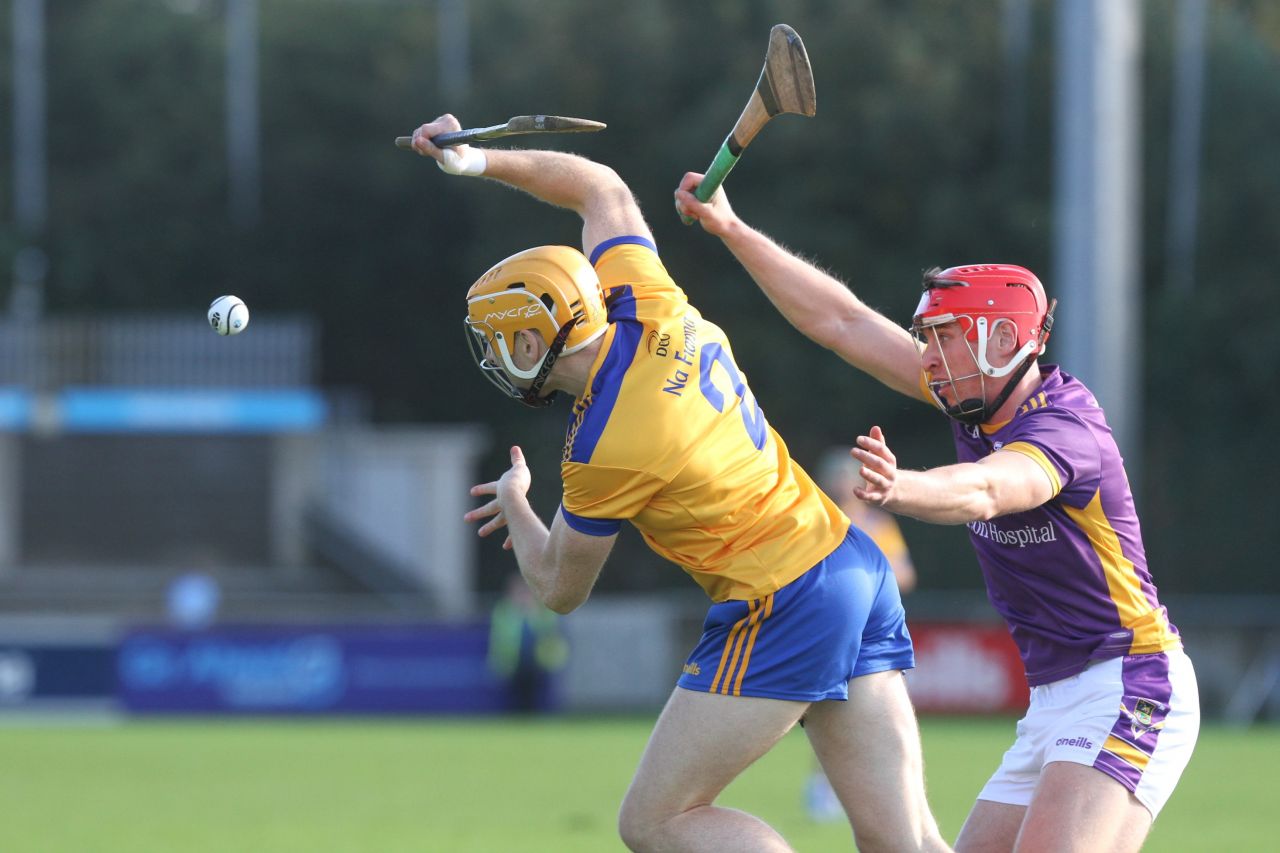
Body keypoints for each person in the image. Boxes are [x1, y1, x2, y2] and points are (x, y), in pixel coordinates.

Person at [409, 114, 951, 853]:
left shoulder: (605, 445)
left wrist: (517, 506)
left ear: (531, 340)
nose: (497, 360)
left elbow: (560, 588)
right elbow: (599, 186)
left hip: (780, 598)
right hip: (851, 562)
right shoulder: (642, 297)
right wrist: (475, 162)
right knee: (904, 843)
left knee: (657, 819)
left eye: (499, 342)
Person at [675, 178, 1200, 853]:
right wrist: (733, 230)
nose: (927, 355)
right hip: (1053, 699)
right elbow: (844, 322)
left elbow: (986, 490)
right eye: (927, 337)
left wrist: (903, 488)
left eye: (946, 337)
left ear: (1005, 340)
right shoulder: (972, 398)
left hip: (1129, 681)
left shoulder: (1067, 431)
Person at [806, 448, 921, 823]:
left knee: (887, 719)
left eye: (849, 476)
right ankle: (824, 788)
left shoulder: (878, 524)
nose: (844, 484)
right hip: (828, 632)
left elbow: (905, 575)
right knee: (827, 710)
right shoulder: (817, 520)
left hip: (874, 637)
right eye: (838, 477)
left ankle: (896, 797)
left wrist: (867, 571)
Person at [488, 574, 569, 713]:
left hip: (537, 664)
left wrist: (532, 613)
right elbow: (499, 637)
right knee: (513, 700)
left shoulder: (542, 610)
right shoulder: (504, 610)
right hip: (512, 663)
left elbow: (549, 632)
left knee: (535, 700)